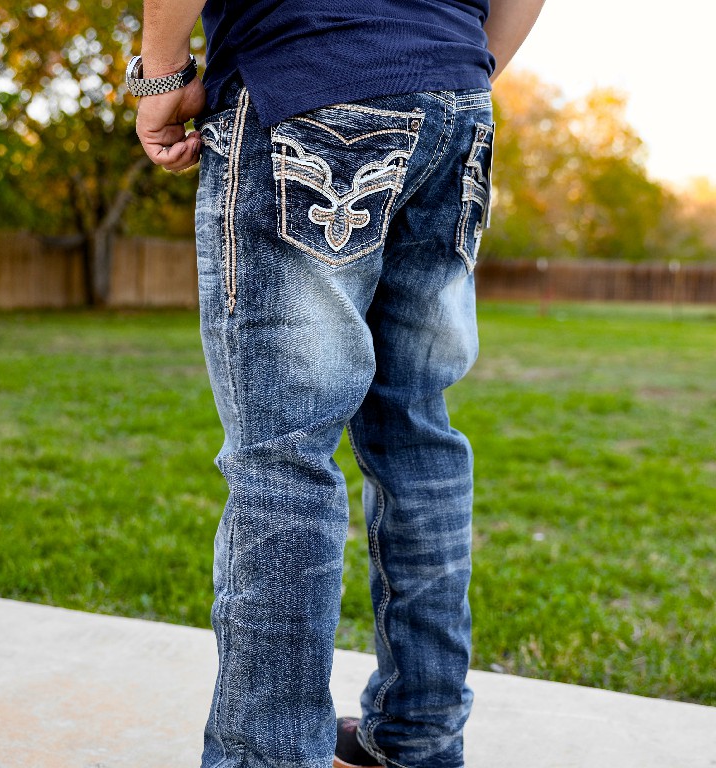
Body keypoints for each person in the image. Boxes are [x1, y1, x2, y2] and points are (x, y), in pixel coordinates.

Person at [132, 2, 545, 767]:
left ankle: (269, 757)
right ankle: (419, 736)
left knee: (283, 456)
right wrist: (452, 68)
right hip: (455, 101)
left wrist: (161, 75)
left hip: (306, 75)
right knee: (417, 433)